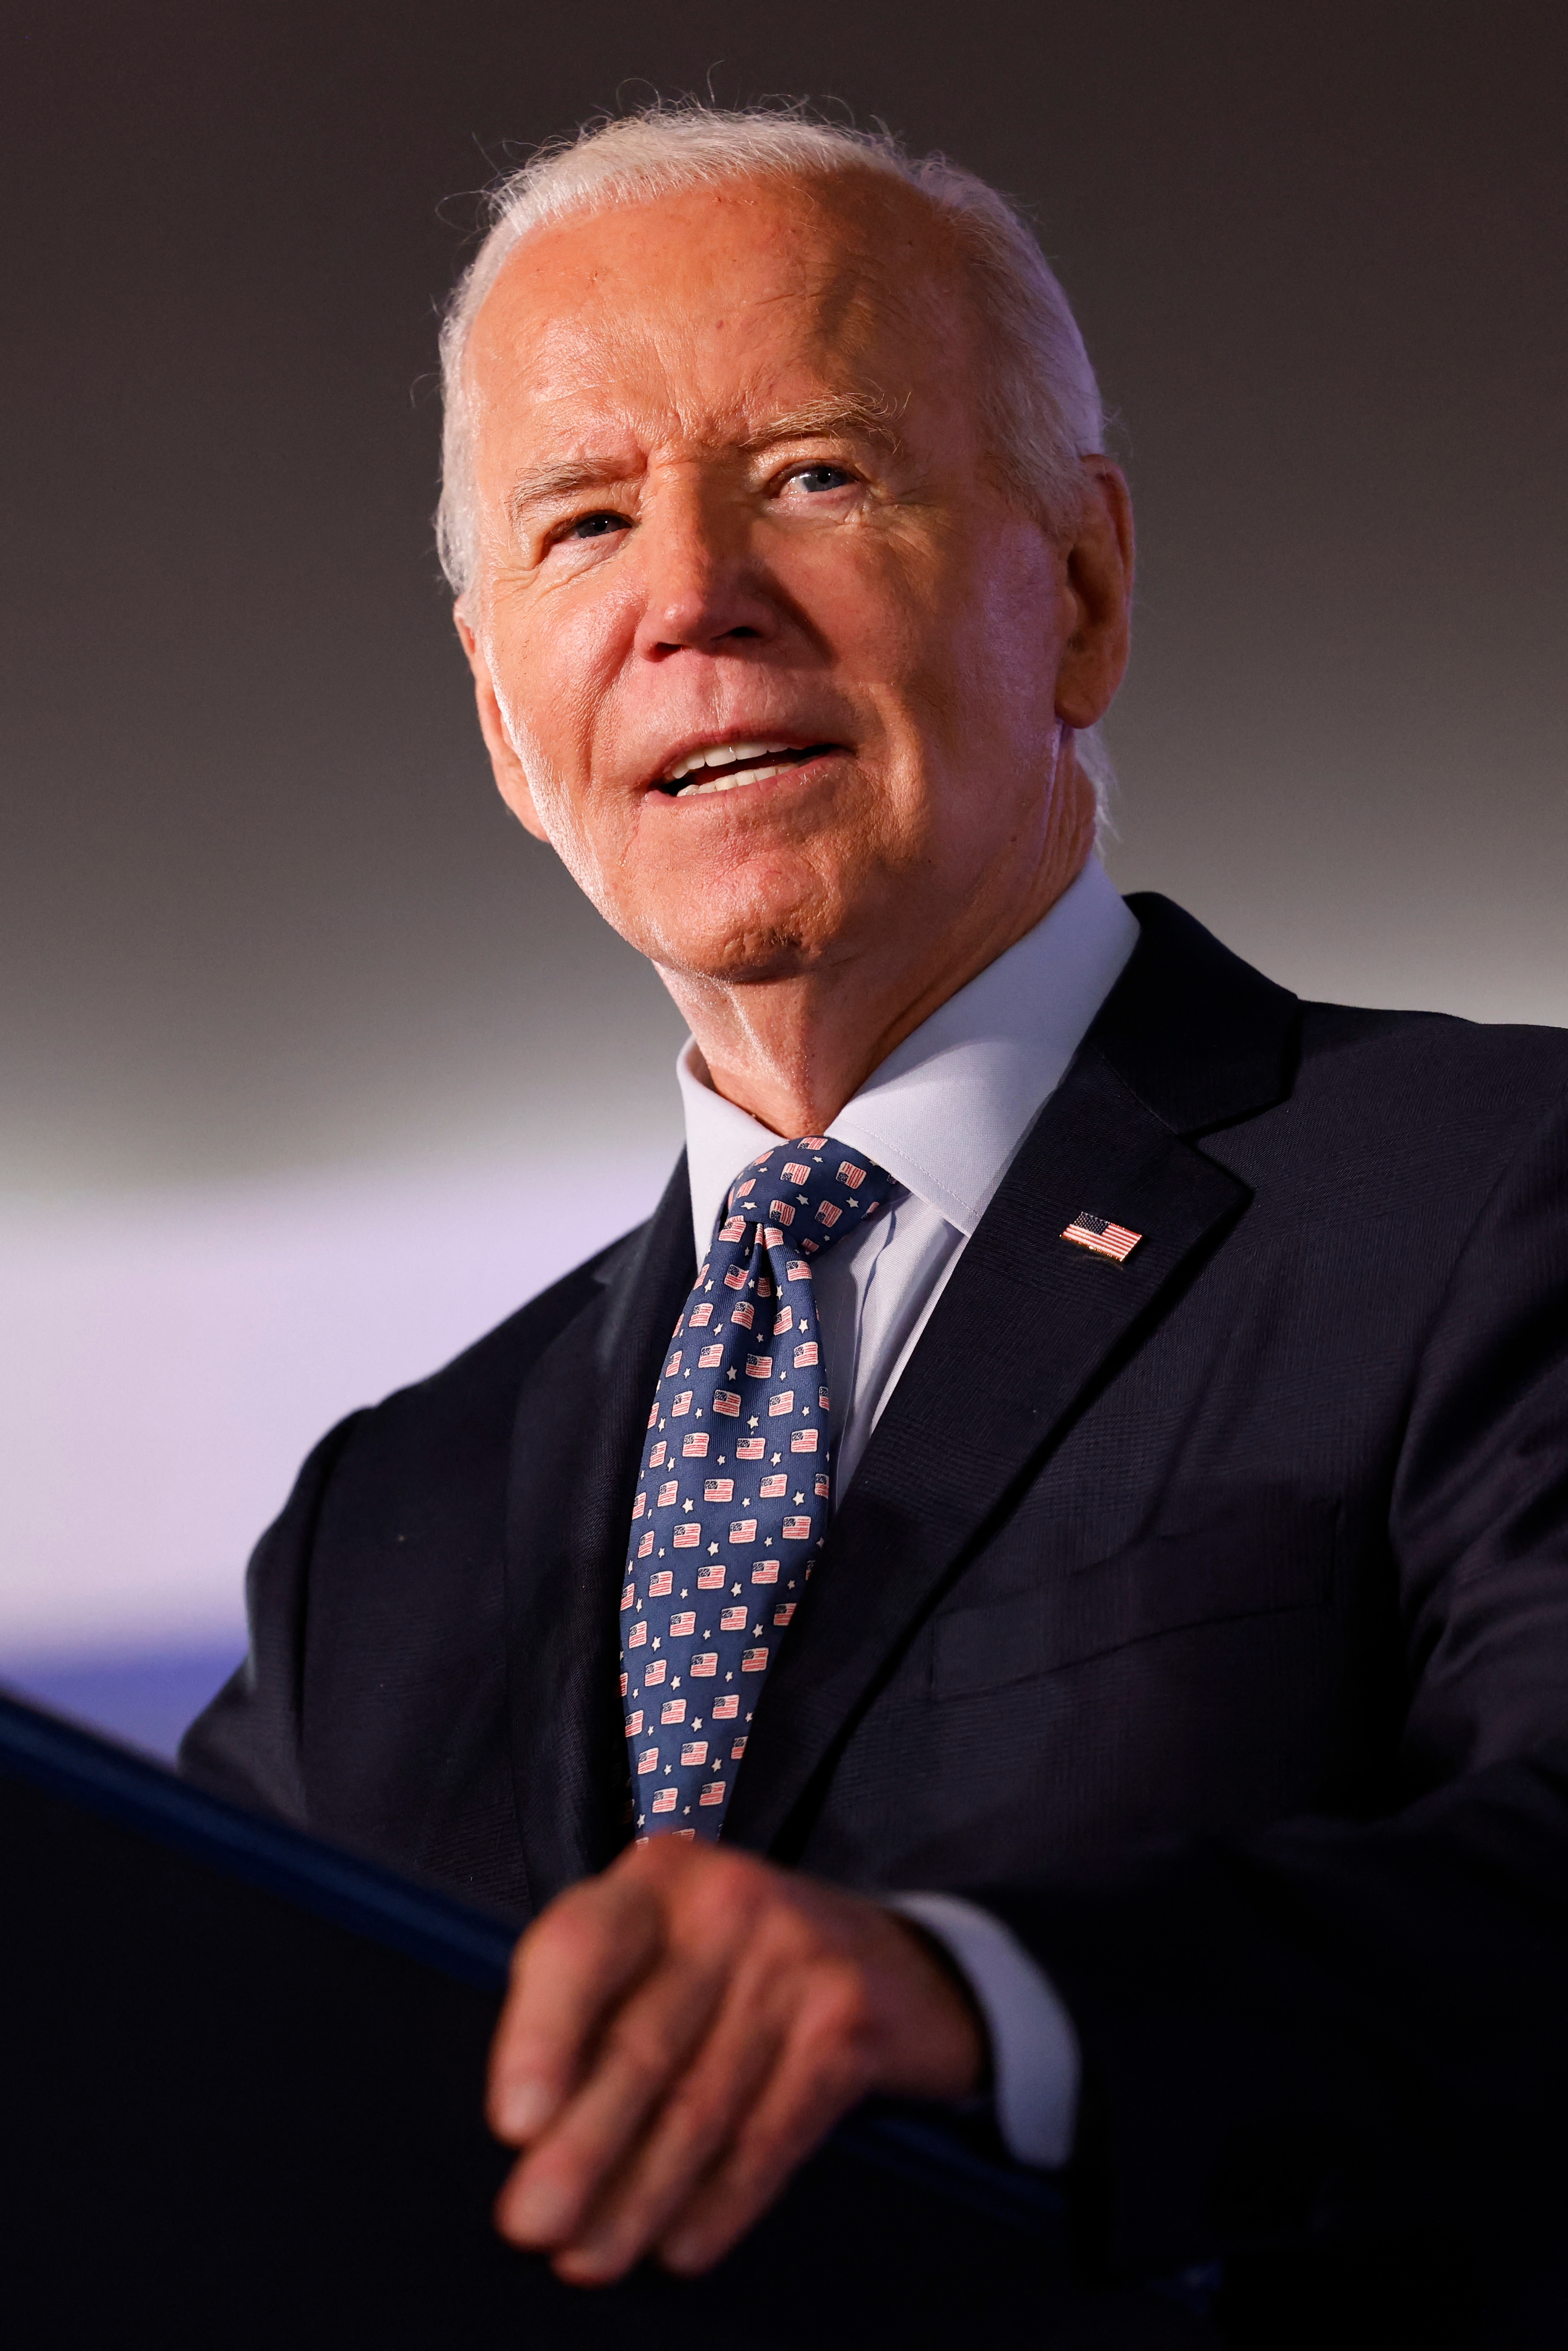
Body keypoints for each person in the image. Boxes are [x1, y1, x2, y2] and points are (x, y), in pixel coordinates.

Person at [182, 105, 1568, 2328]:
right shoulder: (382, 1520)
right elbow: (171, 2106)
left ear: (1082, 589)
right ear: (504, 732)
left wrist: (973, 2001)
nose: (686, 596)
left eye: (815, 475)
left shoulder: (1495, 1197)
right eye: (581, 521)